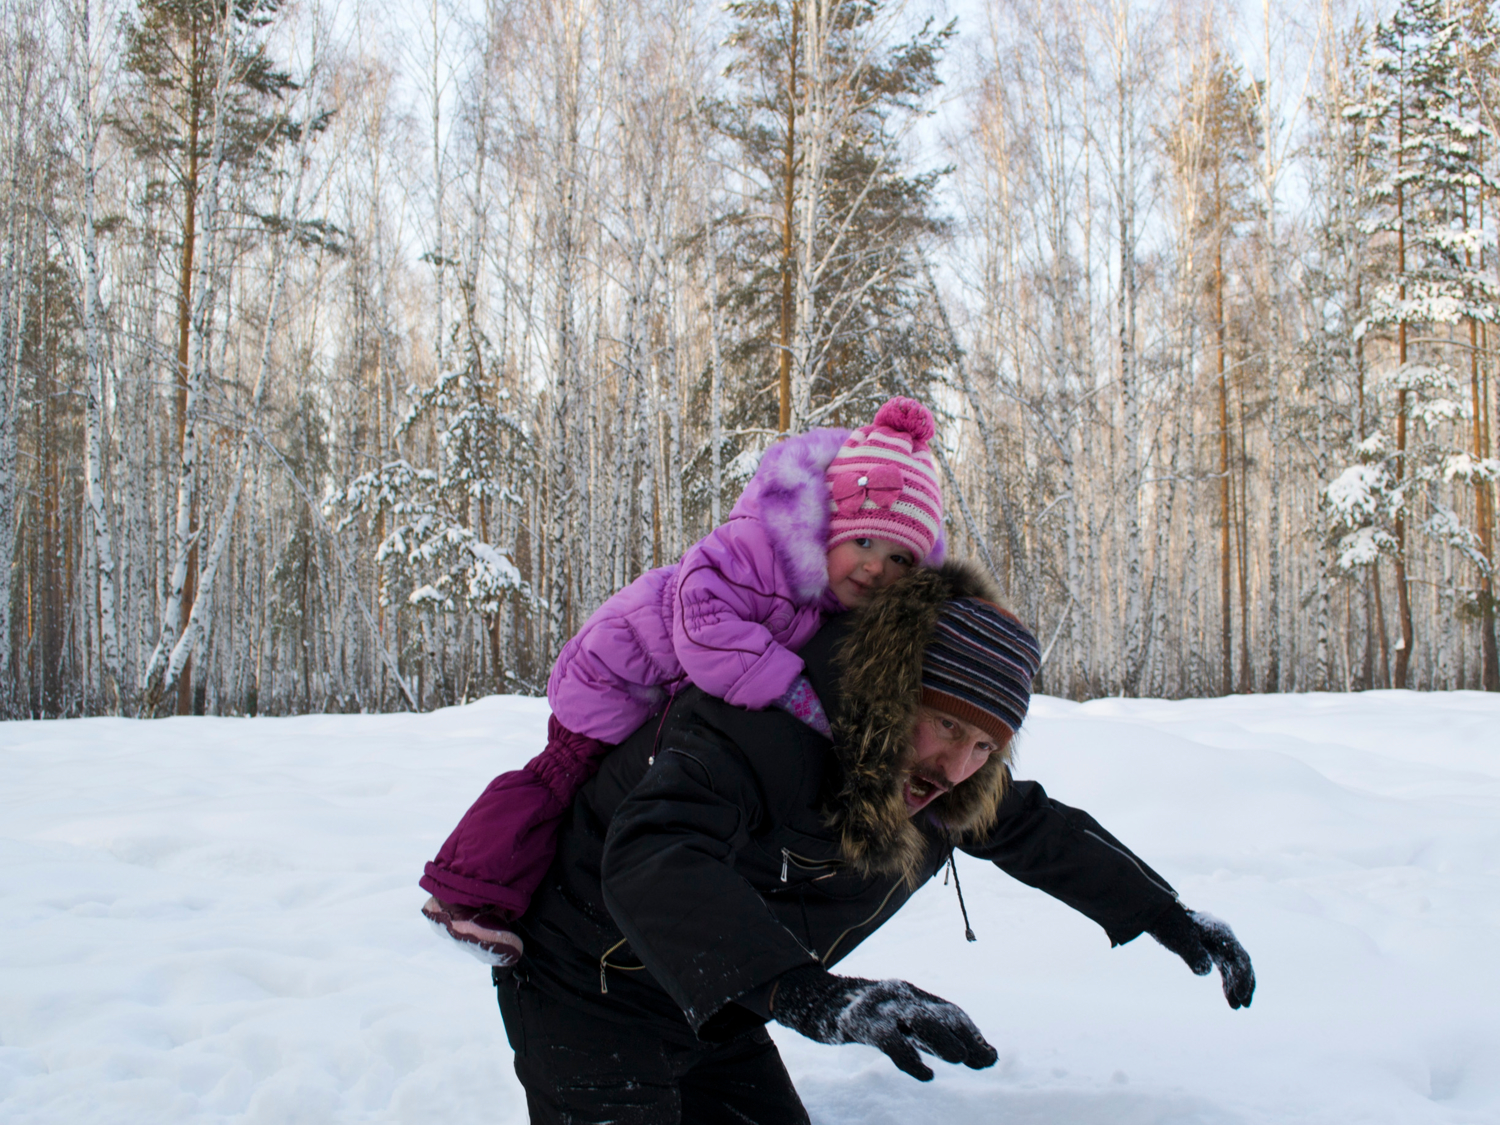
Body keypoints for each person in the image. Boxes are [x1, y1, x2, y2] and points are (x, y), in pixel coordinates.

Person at [490, 562, 1255, 1125]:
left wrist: (1166, 912)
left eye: (985, 745)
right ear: (893, 693)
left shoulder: (945, 789)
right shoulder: (765, 725)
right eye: (947, 724)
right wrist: (813, 995)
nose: (956, 767)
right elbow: (654, 854)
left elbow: (1037, 830)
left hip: (720, 1001)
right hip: (585, 987)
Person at [421, 397, 947, 964]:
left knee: (598, 797)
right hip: (618, 670)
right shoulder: (757, 548)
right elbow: (704, 627)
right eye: (864, 543)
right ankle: (461, 895)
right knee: (562, 775)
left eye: (900, 560)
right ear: (827, 525)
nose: (875, 568)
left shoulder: (827, 599)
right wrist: (790, 686)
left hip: (659, 687)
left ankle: (524, 894)